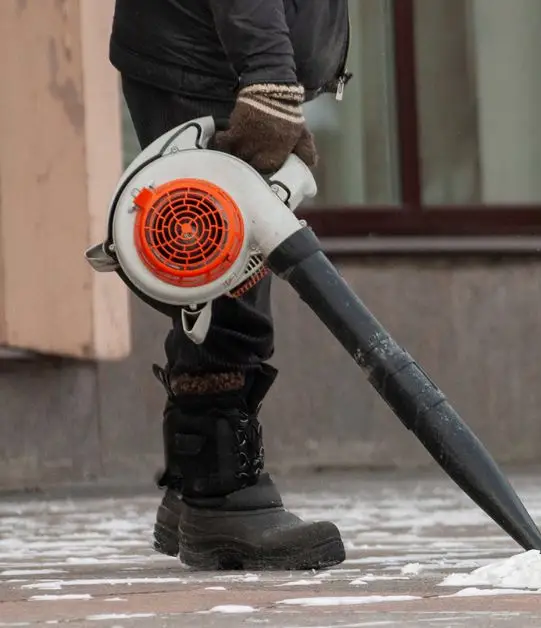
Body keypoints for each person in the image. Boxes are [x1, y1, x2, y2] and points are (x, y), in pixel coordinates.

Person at [109, 0, 351, 571]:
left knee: (219, 268)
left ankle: (195, 476)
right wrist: (268, 75)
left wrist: (276, 74)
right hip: (208, 54)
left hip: (225, 52)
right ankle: (220, 495)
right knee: (221, 268)